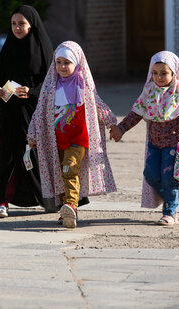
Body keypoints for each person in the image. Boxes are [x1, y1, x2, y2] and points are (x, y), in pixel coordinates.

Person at [110, 51, 179, 226]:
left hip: (173, 145)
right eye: (155, 73)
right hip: (154, 144)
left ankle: (170, 212)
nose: (159, 77)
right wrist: (121, 129)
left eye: (164, 73)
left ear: (173, 73)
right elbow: (136, 114)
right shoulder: (149, 91)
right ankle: (171, 200)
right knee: (151, 175)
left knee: (169, 179)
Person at [28, 41, 118, 229]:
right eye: (58, 62)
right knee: (60, 173)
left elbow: (97, 103)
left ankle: (71, 205)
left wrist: (112, 122)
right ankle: (65, 211)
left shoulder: (83, 84)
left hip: (77, 139)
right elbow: (40, 110)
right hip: (56, 140)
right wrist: (33, 134)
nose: (62, 66)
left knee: (70, 169)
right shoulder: (50, 86)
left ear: (77, 63)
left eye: (66, 62)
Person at [0, 5, 53, 218]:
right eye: (14, 24)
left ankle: (47, 198)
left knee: (33, 152)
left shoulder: (42, 48)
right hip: (8, 109)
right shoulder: (8, 47)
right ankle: (0, 200)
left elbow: (51, 80)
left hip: (33, 110)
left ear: (31, 24)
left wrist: (32, 91)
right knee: (7, 152)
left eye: (22, 24)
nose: (17, 28)